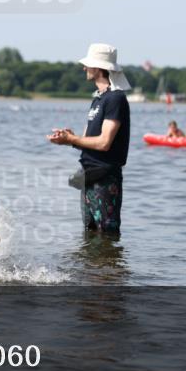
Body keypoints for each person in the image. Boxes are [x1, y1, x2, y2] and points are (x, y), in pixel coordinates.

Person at [48, 43, 131, 234]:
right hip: (89, 176)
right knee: (90, 234)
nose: (84, 68)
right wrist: (68, 138)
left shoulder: (115, 99)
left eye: (88, 64)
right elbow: (87, 141)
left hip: (105, 178)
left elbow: (104, 143)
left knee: (106, 234)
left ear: (99, 68)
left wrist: (72, 139)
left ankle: (108, 265)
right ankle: (90, 266)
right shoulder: (98, 99)